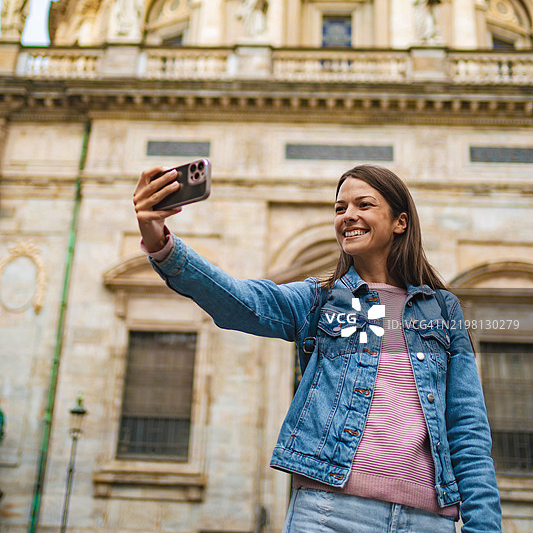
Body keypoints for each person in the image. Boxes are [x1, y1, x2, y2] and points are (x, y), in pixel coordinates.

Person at [133, 163, 502, 533]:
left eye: (364, 205)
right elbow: (241, 301)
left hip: (425, 521)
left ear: (400, 222)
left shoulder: (442, 309)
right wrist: (160, 242)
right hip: (329, 514)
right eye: (340, 208)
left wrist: (483, 526)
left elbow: (468, 430)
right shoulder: (319, 301)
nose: (348, 216)